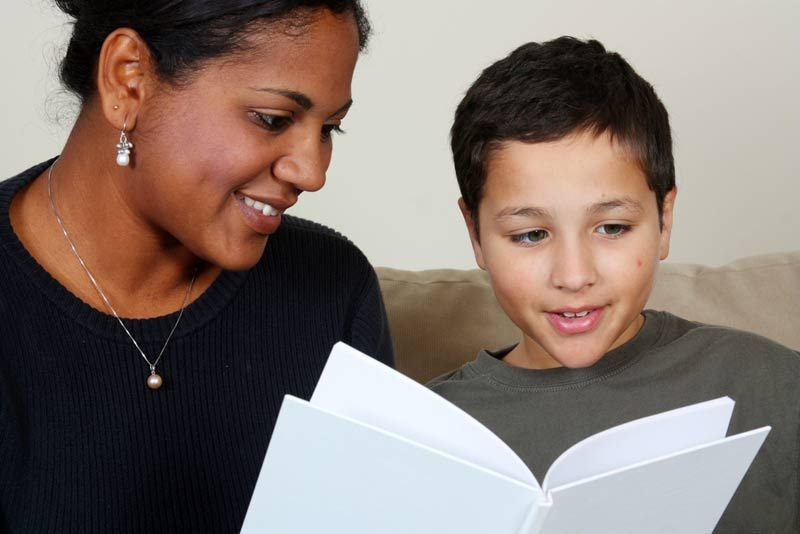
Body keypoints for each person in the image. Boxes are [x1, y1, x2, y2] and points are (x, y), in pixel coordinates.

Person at [0, 1, 392, 531]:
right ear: (128, 80)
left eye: (330, 129)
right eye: (273, 119)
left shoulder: (332, 290)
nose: (313, 171)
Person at [428, 36, 799, 531]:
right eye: (531, 234)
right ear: (475, 234)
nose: (575, 276)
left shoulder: (769, 385)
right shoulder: (425, 429)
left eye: (612, 228)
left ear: (664, 219)